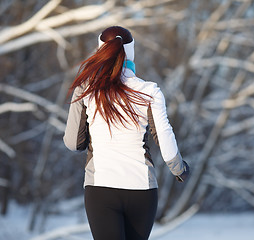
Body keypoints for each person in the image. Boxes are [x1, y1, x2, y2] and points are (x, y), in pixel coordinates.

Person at [63, 26, 189, 240]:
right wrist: (180, 169)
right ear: (131, 54)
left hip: (101, 189)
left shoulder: (86, 89)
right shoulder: (150, 91)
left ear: (101, 51)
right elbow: (165, 141)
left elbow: (73, 143)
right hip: (141, 190)